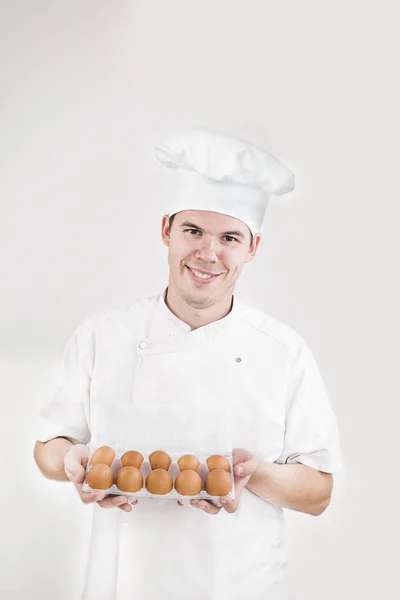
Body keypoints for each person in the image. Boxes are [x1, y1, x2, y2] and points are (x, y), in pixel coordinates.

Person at [34, 127, 342, 600]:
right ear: (166, 231)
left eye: (229, 237)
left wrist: (253, 472)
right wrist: (70, 462)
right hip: (123, 582)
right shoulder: (104, 334)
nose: (208, 253)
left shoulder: (283, 351)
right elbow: (49, 446)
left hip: (239, 584)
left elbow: (319, 492)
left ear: (252, 248)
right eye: (193, 231)